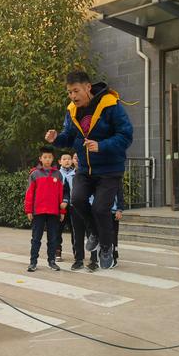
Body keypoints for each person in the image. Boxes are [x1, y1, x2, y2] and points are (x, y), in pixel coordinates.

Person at [45, 70, 133, 270]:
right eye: (69, 92)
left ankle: (107, 247)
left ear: (87, 87)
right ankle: (93, 232)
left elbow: (126, 135)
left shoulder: (110, 105)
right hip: (85, 168)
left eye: (75, 91)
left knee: (101, 208)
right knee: (76, 200)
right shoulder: (72, 110)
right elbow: (69, 136)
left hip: (110, 169)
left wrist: (102, 145)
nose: (72, 96)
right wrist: (56, 138)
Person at [24, 145, 67, 272]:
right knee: (36, 238)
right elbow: (29, 193)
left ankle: (52, 261)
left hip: (54, 212)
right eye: (45, 157)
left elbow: (61, 194)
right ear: (40, 159)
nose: (47, 159)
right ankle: (33, 262)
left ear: (53, 158)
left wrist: (62, 211)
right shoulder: (35, 174)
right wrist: (29, 210)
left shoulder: (58, 175)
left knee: (53, 238)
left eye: (49, 157)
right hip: (38, 212)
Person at [84, 181, 124, 270]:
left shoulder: (114, 177)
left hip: (112, 211)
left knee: (112, 236)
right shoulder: (94, 177)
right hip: (97, 211)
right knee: (96, 235)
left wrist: (119, 209)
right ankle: (94, 260)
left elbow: (119, 193)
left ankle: (113, 258)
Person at [56, 150, 76, 262]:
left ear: (72, 161)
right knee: (58, 230)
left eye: (69, 159)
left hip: (74, 206)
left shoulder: (76, 173)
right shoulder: (57, 174)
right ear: (60, 161)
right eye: (64, 159)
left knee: (75, 230)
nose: (67, 161)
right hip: (61, 206)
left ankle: (76, 252)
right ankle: (57, 251)